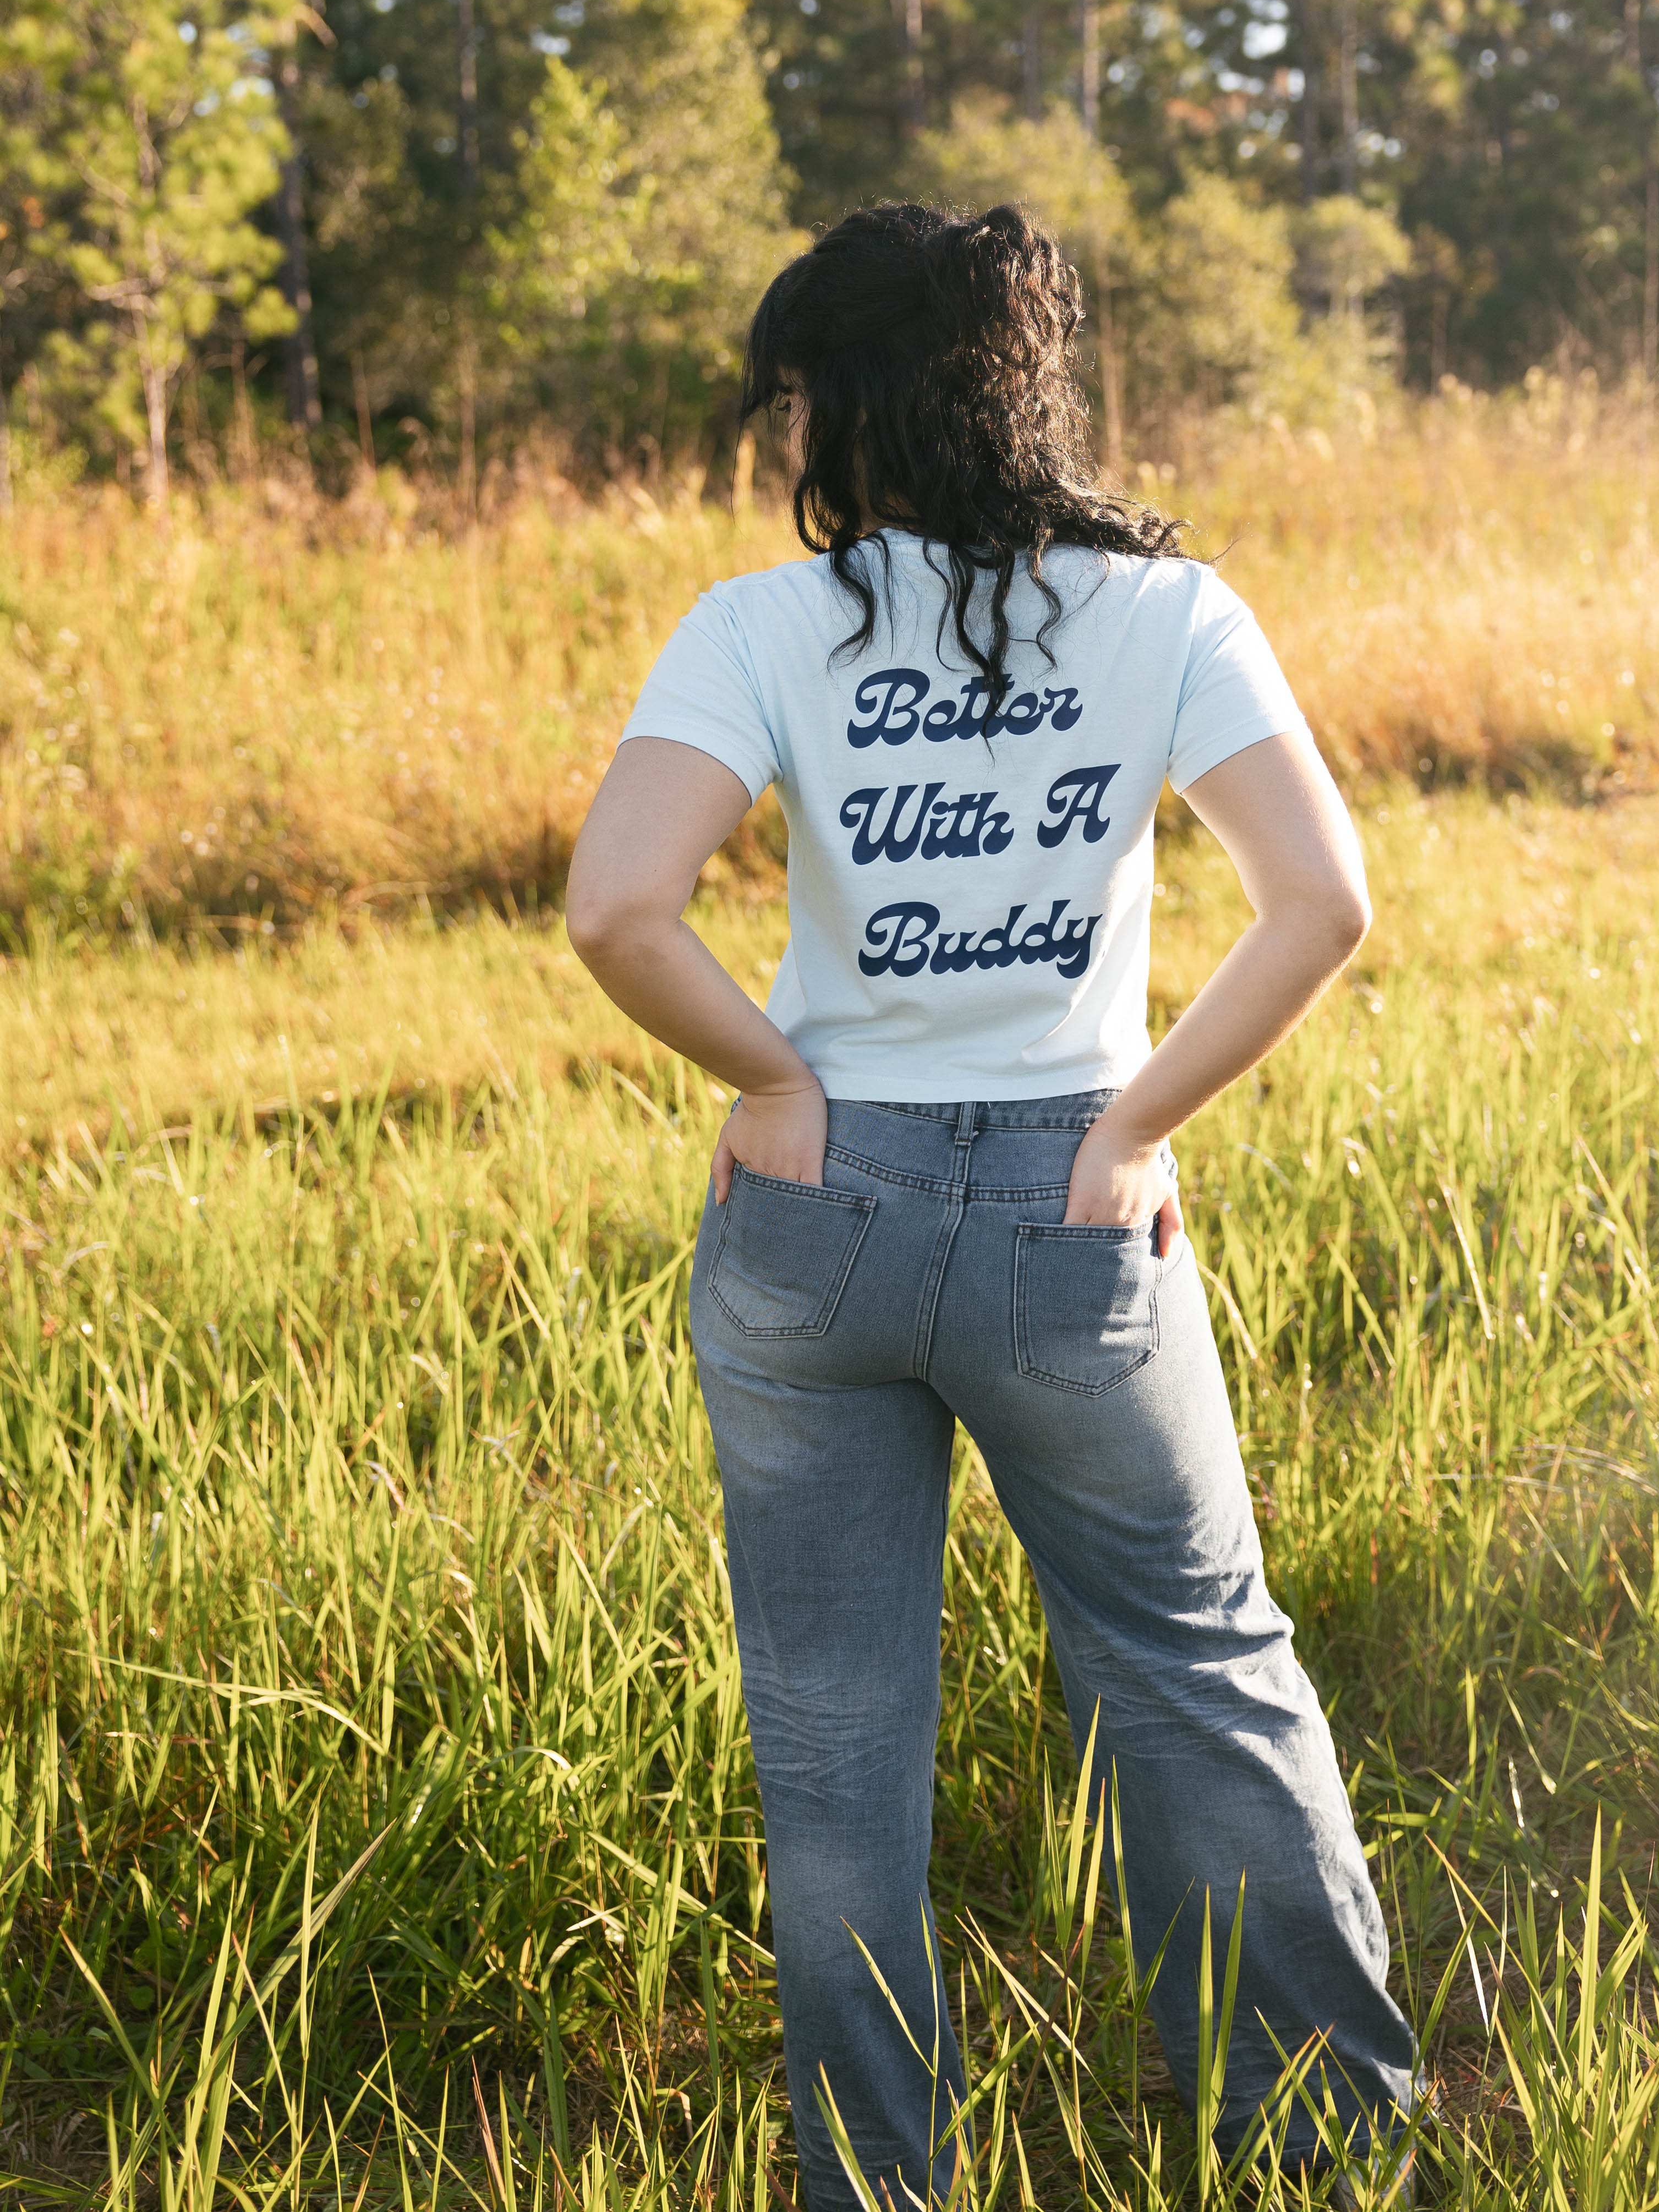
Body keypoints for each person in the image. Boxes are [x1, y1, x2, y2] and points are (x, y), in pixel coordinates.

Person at [566, 201, 1415, 2206]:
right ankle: (1316, 2156)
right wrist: (1130, 1127)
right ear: (1025, 381)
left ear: (848, 404)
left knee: (836, 1744)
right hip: (1072, 1221)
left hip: (814, 1213)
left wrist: (772, 1077)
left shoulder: (758, 627)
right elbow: (1325, 904)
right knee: (1202, 1679)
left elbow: (618, 907)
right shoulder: (1168, 610)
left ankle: (874, 2185)